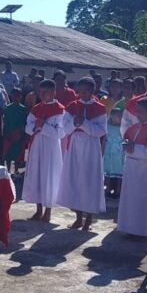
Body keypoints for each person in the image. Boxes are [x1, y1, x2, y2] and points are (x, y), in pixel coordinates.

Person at [57, 78, 107, 230]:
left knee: (89, 180)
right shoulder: (71, 106)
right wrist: (75, 123)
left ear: (92, 91)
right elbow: (64, 129)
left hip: (91, 147)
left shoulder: (99, 108)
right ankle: (78, 217)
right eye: (81, 91)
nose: (83, 94)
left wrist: (84, 123)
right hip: (75, 146)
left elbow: (101, 131)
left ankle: (89, 219)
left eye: (86, 91)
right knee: (76, 179)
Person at [116, 98, 147, 239]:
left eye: (141, 112)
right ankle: (131, 228)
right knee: (131, 199)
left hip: (145, 170)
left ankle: (145, 232)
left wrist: (134, 149)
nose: (137, 114)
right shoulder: (135, 127)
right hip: (131, 168)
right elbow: (126, 141)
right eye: (137, 111)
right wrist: (127, 146)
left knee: (144, 201)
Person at [22, 80, 66, 223]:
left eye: (45, 92)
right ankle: (38, 209)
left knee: (49, 177)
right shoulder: (36, 108)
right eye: (40, 92)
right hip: (37, 145)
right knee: (37, 175)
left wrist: (43, 126)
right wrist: (36, 127)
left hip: (51, 147)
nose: (42, 95)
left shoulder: (60, 110)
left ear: (53, 92)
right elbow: (27, 127)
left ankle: (48, 211)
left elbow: (61, 133)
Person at [103, 82, 126, 199]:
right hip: (109, 151)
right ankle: (107, 188)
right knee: (107, 171)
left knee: (119, 172)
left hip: (119, 152)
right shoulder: (108, 126)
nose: (116, 118)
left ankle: (118, 190)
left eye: (119, 116)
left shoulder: (123, 128)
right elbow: (105, 138)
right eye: (114, 115)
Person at [2, 88, 27, 174]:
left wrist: (22, 135)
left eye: (17, 96)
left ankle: (16, 170)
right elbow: (5, 122)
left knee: (18, 153)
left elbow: (25, 123)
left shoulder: (23, 109)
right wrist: (5, 133)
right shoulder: (7, 108)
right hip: (9, 133)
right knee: (8, 153)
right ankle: (8, 170)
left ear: (21, 97)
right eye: (13, 95)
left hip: (19, 134)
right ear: (11, 96)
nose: (15, 97)